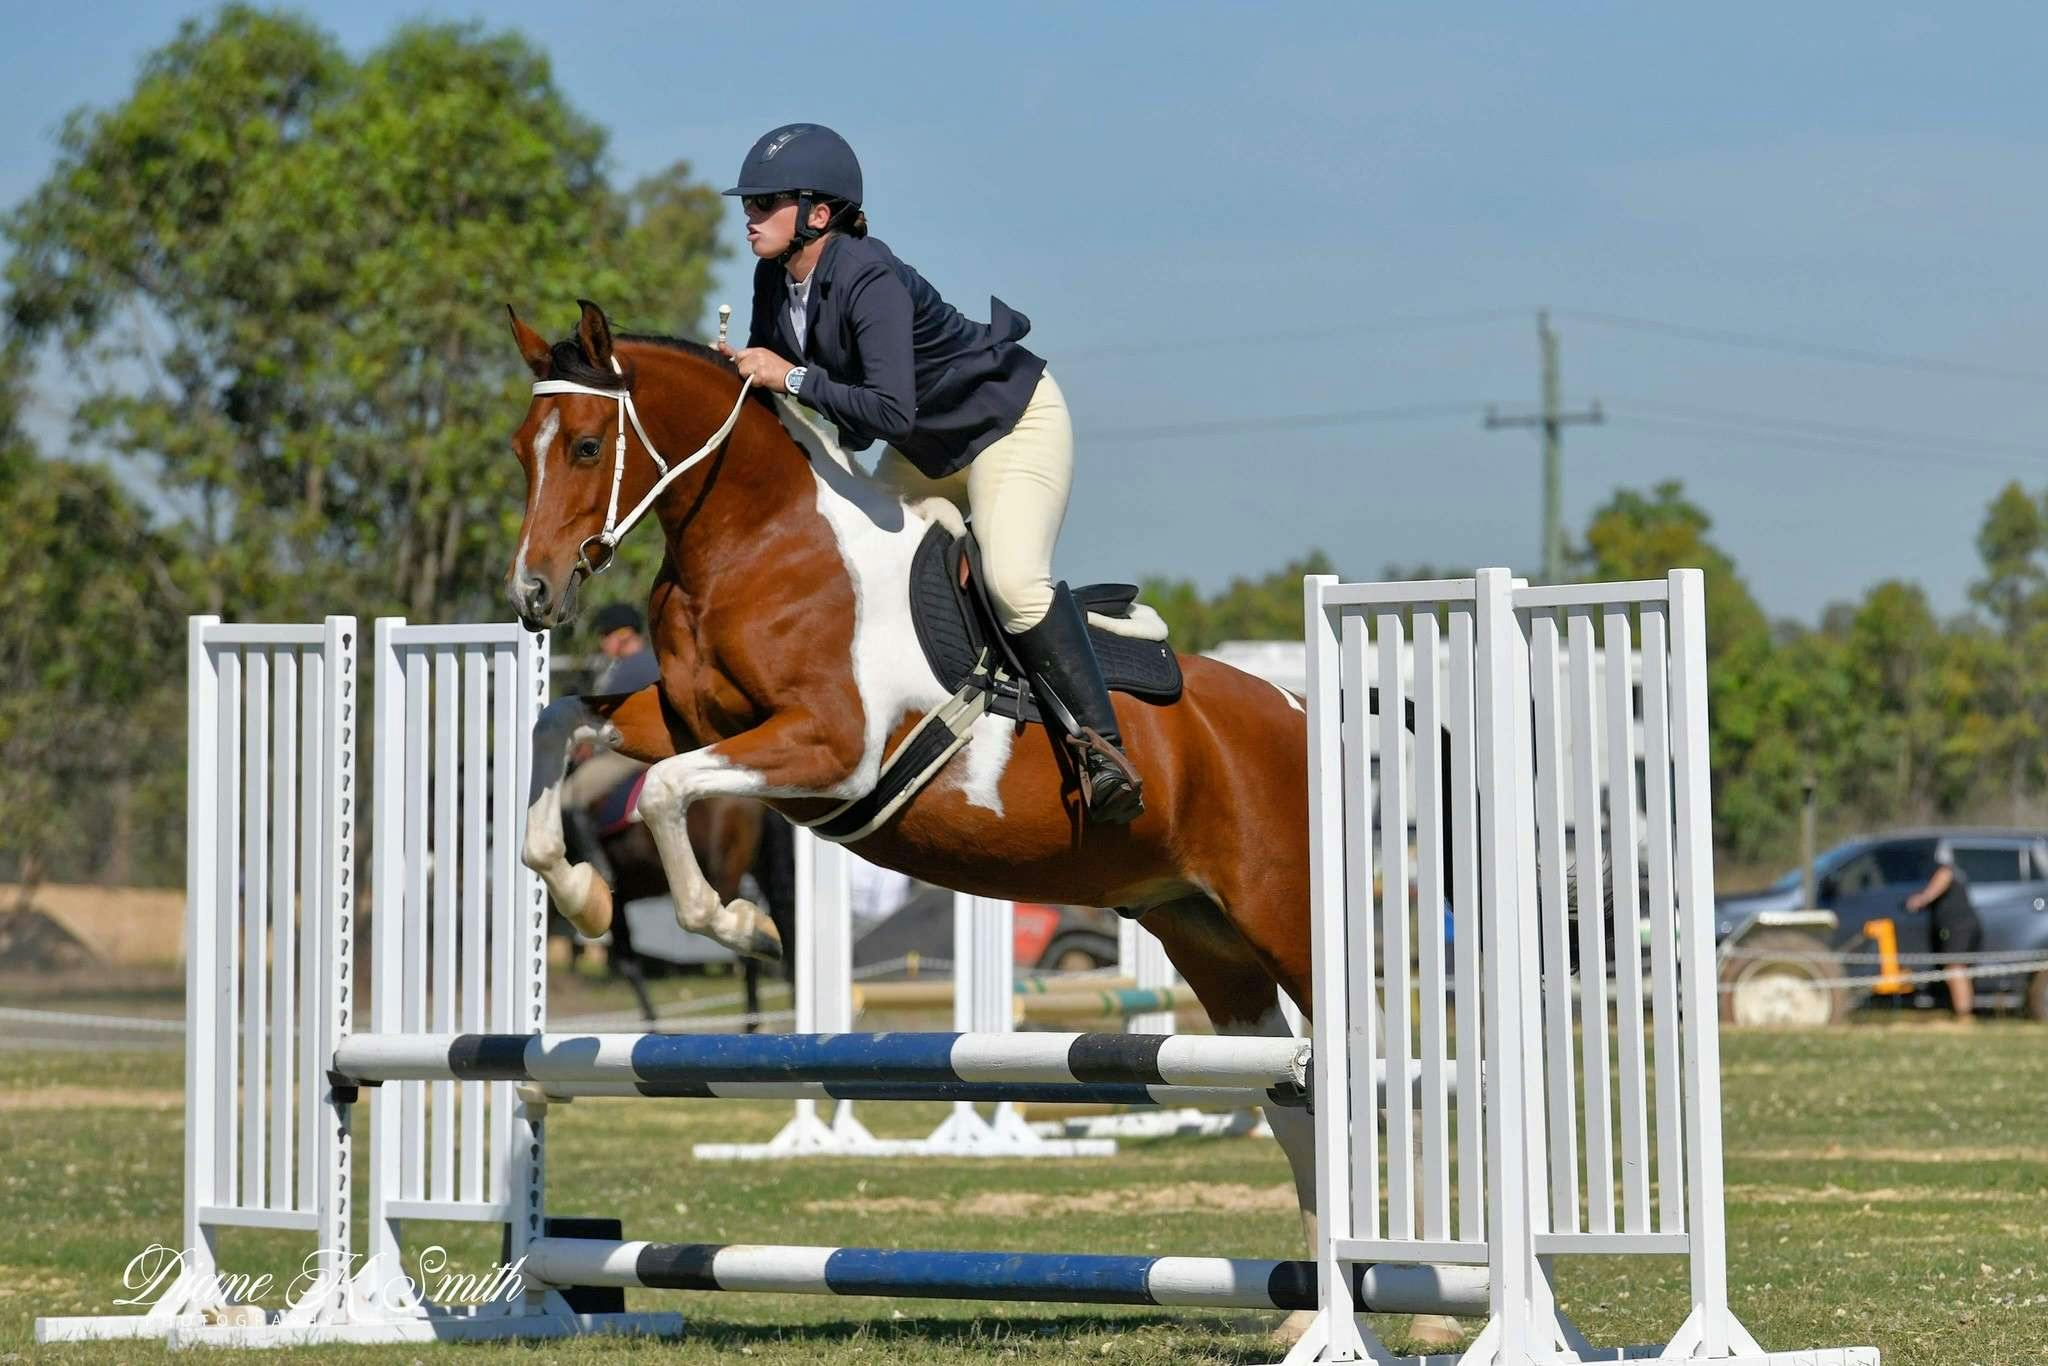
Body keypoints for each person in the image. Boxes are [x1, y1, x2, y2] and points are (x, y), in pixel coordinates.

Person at [714, 122, 1143, 825]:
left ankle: (1104, 748)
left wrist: (787, 375)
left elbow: (881, 404)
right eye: (750, 204)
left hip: (1008, 423)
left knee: (1011, 581)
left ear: (818, 215)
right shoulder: (774, 277)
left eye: (766, 203)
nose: (750, 216)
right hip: (926, 446)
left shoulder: (867, 274)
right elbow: (781, 383)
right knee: (850, 564)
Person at [1902, 837, 1983, 1021]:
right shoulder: (1953, 871)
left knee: (1954, 967)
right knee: (1959, 968)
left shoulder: (1944, 869)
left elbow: (1944, 875)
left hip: (1958, 926)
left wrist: (1921, 899)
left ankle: (1964, 1016)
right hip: (1965, 924)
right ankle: (1964, 1012)